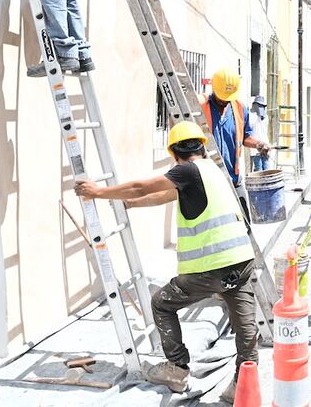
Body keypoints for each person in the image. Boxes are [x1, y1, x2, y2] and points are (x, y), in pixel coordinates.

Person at [73, 121, 256, 403]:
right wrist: (132, 205)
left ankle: (176, 368)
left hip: (211, 268)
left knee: (161, 303)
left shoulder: (186, 170)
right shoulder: (210, 171)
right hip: (241, 263)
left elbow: (139, 187)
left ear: (173, 152)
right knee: (245, 327)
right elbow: (164, 195)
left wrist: (98, 192)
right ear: (201, 145)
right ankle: (243, 385)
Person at [202, 69, 272, 207]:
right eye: (222, 95)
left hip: (233, 179)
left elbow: (245, 137)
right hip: (208, 181)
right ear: (214, 89)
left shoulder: (240, 108)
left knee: (245, 224)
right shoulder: (202, 106)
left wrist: (258, 144)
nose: (225, 100)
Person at [249, 96, 270, 172]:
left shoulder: (253, 117)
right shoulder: (265, 117)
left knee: (260, 168)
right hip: (263, 145)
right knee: (264, 167)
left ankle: (263, 183)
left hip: (257, 146)